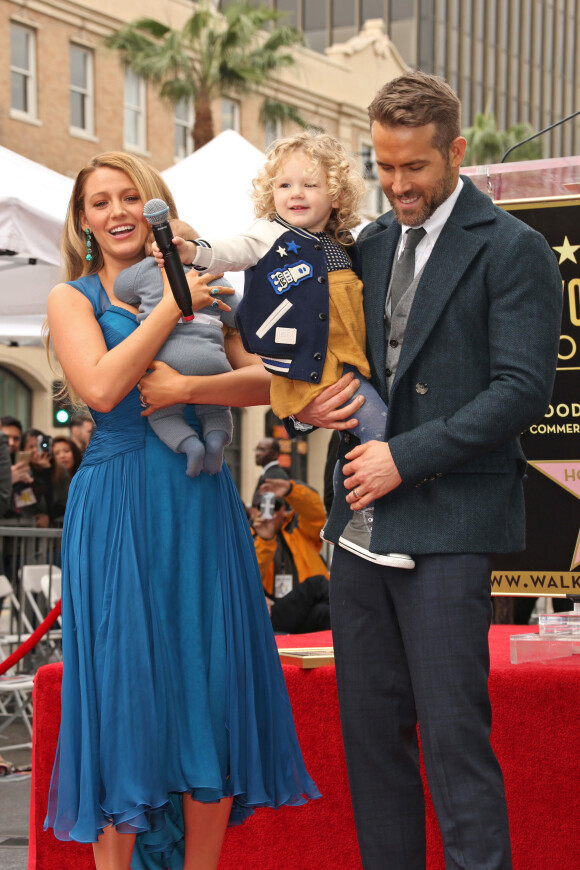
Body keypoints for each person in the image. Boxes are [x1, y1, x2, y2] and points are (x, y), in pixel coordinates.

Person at [290, 72, 563, 869]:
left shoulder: (513, 248)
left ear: (456, 151)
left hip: (449, 523)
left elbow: (521, 391)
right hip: (358, 530)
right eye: (383, 166)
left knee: (453, 742)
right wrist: (311, 405)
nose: (399, 185)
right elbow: (332, 359)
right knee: (373, 748)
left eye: (414, 167)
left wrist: (402, 458)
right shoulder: (367, 244)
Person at [43, 151, 319, 870]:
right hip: (120, 504)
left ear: (155, 203)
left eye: (130, 196)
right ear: (83, 221)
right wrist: (172, 300)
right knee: (123, 698)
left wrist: (190, 392)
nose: (117, 211)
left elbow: (270, 384)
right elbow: (101, 390)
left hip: (200, 504)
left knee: (210, 687)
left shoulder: (212, 287)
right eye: (100, 202)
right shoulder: (71, 299)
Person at [155, 130, 412, 570]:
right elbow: (230, 250)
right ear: (269, 192)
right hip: (312, 366)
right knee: (379, 427)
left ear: (335, 193)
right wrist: (194, 251)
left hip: (348, 363)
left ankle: (347, 516)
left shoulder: (347, 242)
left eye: (310, 185)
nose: (296, 194)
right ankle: (373, 525)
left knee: (357, 437)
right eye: (285, 185)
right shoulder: (268, 233)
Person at [114, 219, 239, 477]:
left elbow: (120, 288)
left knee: (162, 413)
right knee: (217, 407)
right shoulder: (213, 275)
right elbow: (240, 316)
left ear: (155, 248)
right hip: (212, 359)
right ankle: (216, 441)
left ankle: (190, 446)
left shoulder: (147, 268)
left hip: (168, 361)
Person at [250, 476, 330, 633]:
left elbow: (316, 515)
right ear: (252, 510)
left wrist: (291, 491)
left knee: (325, 612)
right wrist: (265, 539)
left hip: (304, 612)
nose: (268, 512)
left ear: (283, 510)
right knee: (316, 583)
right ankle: (353, 606)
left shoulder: (299, 530)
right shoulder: (247, 538)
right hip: (272, 613)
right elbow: (250, 578)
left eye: (275, 505)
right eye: (261, 506)